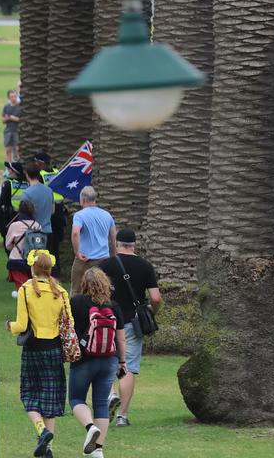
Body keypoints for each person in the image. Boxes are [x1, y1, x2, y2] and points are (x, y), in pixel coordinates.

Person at [6, 251, 69, 458]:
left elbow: (21, 325)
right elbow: (69, 324)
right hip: (54, 348)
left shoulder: (25, 290)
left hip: (33, 348)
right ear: (49, 269)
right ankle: (48, 449)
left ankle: (42, 431)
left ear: (33, 268)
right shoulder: (60, 291)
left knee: (29, 396)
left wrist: (10, 326)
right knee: (50, 400)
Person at [98, 228, 161, 427]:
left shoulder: (105, 265)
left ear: (116, 244)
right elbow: (156, 297)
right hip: (132, 322)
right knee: (128, 367)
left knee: (107, 361)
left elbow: (95, 291)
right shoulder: (145, 266)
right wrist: (151, 310)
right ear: (134, 245)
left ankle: (110, 395)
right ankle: (122, 416)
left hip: (108, 320)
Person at [68, 268, 127, 458]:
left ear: (85, 284)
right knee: (101, 403)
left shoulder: (76, 302)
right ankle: (98, 450)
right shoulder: (114, 306)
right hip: (109, 359)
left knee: (77, 399)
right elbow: (121, 339)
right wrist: (122, 361)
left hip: (84, 359)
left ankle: (90, 427)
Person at [70, 186, 116, 294]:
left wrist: (77, 253)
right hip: (103, 259)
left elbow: (75, 233)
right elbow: (114, 237)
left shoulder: (79, 215)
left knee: (76, 291)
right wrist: (114, 255)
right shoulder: (107, 215)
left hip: (84, 259)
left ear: (83, 199)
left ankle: (76, 310)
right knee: (101, 291)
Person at [4, 202, 40, 291]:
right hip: (33, 259)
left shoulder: (14, 226)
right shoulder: (37, 225)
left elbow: (8, 245)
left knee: (22, 288)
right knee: (34, 286)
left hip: (17, 260)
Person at [21, 167, 55, 234]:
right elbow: (52, 211)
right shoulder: (49, 190)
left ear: (27, 175)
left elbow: (24, 215)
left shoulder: (26, 193)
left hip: (33, 231)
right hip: (47, 230)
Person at [2, 89, 22, 161]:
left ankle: (17, 164)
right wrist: (7, 118)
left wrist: (12, 118)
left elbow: (21, 119)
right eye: (11, 97)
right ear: (9, 98)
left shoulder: (19, 107)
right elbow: (3, 119)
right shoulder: (6, 107)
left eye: (14, 96)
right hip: (8, 131)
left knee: (17, 149)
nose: (13, 98)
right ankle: (8, 167)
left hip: (16, 130)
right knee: (8, 150)